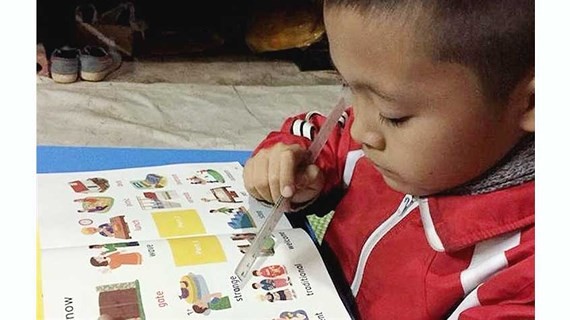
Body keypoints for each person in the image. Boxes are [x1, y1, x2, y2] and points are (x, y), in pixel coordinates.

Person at [243, 1, 534, 319]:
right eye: (347, 87)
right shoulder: (390, 144)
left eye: (393, 116)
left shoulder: (528, 270)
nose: (361, 128)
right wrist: (286, 160)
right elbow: (325, 134)